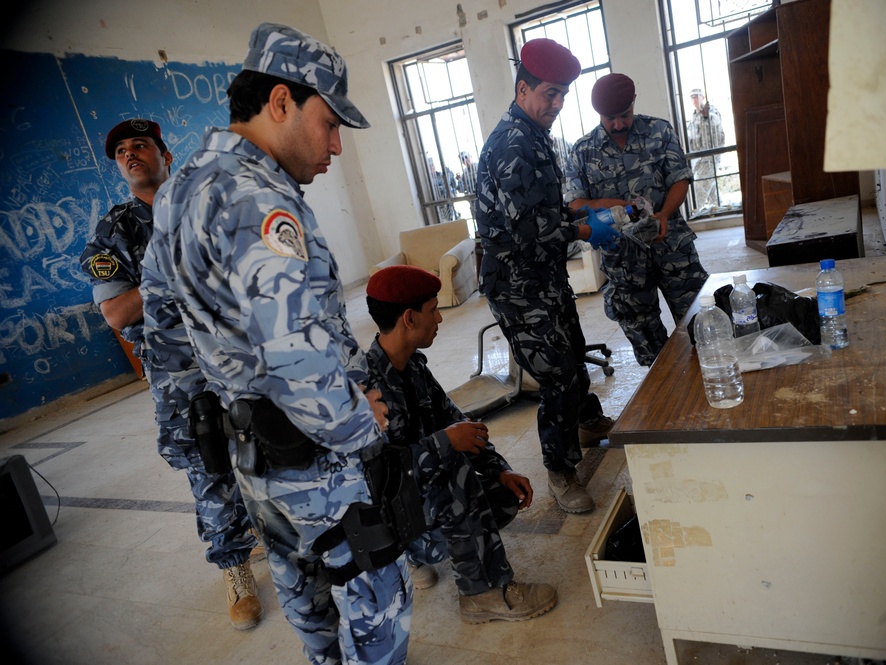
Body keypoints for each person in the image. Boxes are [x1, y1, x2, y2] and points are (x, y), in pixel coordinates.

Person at [140, 23, 411, 664]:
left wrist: (191, 437)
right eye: (330, 123)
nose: (336, 147)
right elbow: (298, 355)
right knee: (376, 607)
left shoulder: (179, 192)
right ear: (281, 102)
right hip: (314, 463)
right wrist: (359, 426)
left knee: (306, 599)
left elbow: (163, 326)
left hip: (251, 458)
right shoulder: (258, 200)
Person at [78, 118, 262, 630]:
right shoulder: (113, 232)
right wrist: (172, 271)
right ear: (118, 167)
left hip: (237, 357)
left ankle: (269, 532)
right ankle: (234, 567)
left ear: (166, 156)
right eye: (121, 151)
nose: (131, 154)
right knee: (208, 465)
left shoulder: (206, 207)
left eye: (141, 146)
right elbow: (116, 313)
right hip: (179, 373)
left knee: (260, 443)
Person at [364, 264, 558, 623]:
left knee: (499, 498)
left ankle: (420, 556)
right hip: (385, 521)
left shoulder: (413, 366)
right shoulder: (364, 387)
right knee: (451, 463)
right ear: (409, 318)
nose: (439, 318)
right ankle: (482, 592)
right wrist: (444, 443)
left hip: (413, 503)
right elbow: (372, 475)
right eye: (432, 310)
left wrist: (499, 470)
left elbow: (458, 422)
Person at [475, 38, 620, 515]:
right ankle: (560, 469)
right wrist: (585, 228)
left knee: (573, 351)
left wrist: (577, 222)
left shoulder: (534, 134)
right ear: (523, 88)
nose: (557, 105)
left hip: (543, 276)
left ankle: (587, 419)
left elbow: (546, 208)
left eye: (562, 96)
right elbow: (530, 230)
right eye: (550, 95)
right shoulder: (513, 145)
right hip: (517, 284)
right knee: (556, 375)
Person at [565, 73, 710, 367]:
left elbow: (680, 179)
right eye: (610, 118)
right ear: (598, 114)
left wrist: (664, 214)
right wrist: (615, 205)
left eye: (625, 115)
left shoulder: (659, 130)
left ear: (634, 104)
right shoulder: (583, 151)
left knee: (701, 323)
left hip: (671, 245)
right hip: (624, 261)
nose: (618, 124)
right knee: (649, 348)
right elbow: (576, 203)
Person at [686, 87, 725, 211]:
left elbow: (715, 121)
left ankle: (697, 210)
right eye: (692, 98)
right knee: (711, 188)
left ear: (702, 97)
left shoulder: (712, 111)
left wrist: (707, 116)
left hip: (711, 157)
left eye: (696, 97)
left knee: (701, 187)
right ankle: (720, 208)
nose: (694, 100)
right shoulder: (693, 116)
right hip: (699, 158)